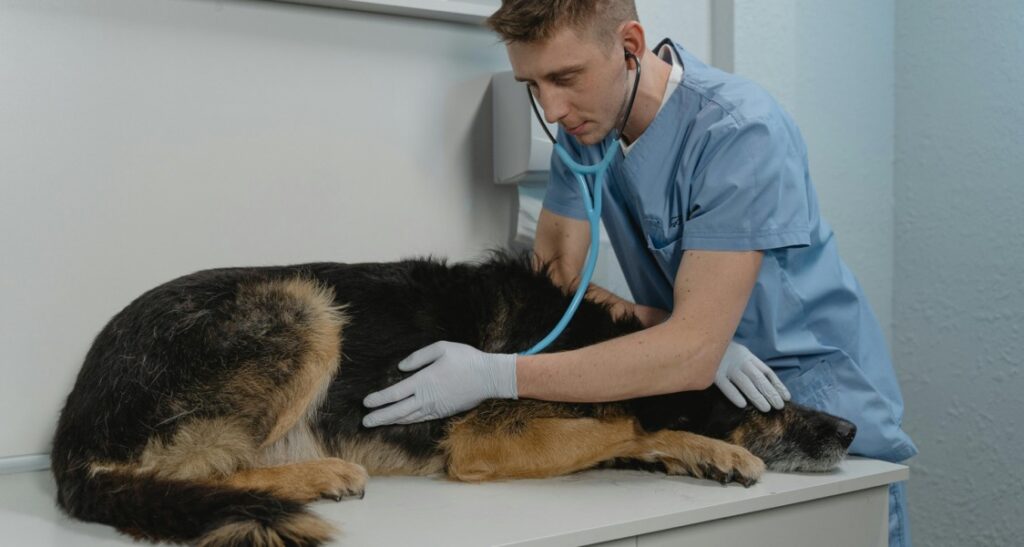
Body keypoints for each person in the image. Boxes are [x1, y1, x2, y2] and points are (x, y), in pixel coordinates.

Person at [362, 1, 916, 545]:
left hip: (803, 402)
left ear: (630, 46)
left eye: (565, 77)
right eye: (532, 85)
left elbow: (693, 351)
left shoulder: (740, 133)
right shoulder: (585, 133)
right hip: (694, 401)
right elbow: (552, 282)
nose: (551, 108)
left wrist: (495, 375)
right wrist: (662, 326)